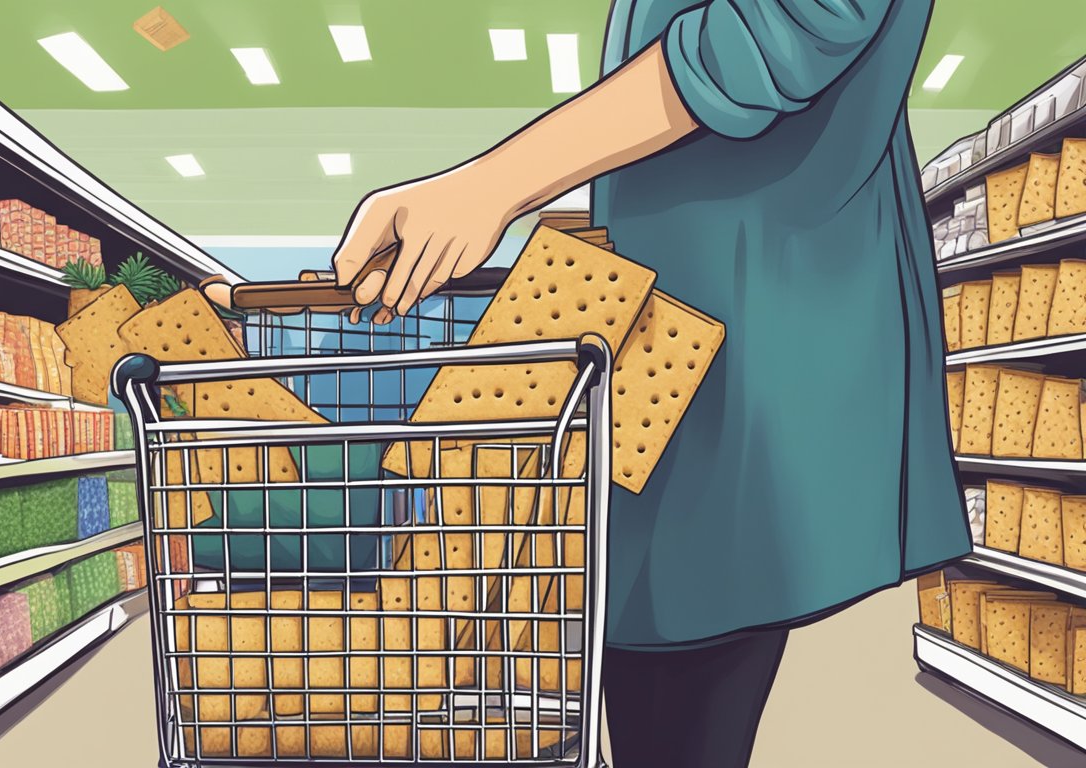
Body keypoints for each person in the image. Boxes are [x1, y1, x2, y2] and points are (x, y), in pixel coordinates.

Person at [330, 1, 971, 765]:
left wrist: (495, 184)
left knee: (684, 669)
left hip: (749, 334)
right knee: (651, 668)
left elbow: (779, 34)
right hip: (664, 346)